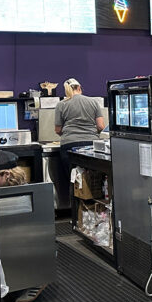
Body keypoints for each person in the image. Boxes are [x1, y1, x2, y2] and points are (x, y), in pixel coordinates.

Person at [50, 78, 105, 207]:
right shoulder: (93, 102)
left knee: (74, 180)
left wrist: (70, 133)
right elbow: (101, 126)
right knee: (93, 179)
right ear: (79, 87)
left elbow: (58, 129)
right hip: (91, 145)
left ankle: (76, 216)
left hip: (69, 145)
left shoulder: (61, 104)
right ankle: (93, 212)